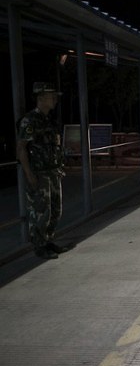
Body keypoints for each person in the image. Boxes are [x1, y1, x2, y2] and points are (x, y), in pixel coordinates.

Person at [16, 82, 74, 259]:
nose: (55, 99)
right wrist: (29, 174)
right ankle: (40, 247)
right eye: (51, 96)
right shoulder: (29, 120)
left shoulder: (49, 120)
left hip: (53, 172)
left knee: (56, 210)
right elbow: (21, 148)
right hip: (39, 173)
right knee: (42, 211)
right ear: (41, 98)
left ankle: (49, 241)